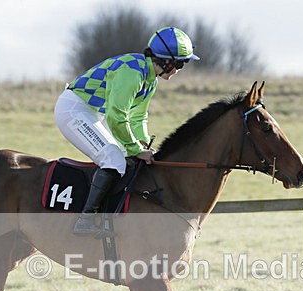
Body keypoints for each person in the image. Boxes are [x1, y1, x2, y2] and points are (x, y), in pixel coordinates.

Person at [54, 26, 200, 236]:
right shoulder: (132, 73)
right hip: (74, 110)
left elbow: (138, 116)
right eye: (180, 63)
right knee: (114, 159)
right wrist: (133, 148)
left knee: (127, 156)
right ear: (166, 61)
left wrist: (142, 143)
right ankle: (86, 220)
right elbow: (116, 116)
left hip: (93, 113)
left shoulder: (150, 79)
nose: (179, 69)